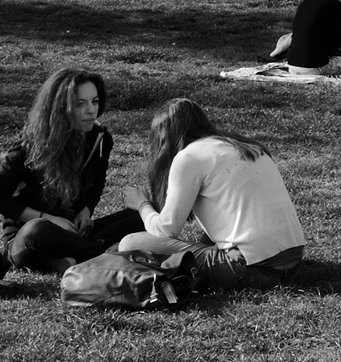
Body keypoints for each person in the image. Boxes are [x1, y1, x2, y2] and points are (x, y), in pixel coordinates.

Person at [118, 100, 304, 292]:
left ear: (164, 138)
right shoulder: (244, 145)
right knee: (204, 239)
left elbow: (167, 229)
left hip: (251, 270)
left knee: (130, 243)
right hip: (293, 265)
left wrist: (141, 204)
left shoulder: (188, 157)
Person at [0, 68, 141, 274]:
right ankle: (106, 253)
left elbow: (96, 184)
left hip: (74, 233)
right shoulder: (30, 146)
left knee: (146, 213)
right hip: (30, 237)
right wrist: (50, 219)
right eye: (80, 104)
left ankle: (72, 257)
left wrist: (85, 211)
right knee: (37, 231)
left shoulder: (101, 140)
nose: (90, 111)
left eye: (94, 101)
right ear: (61, 107)